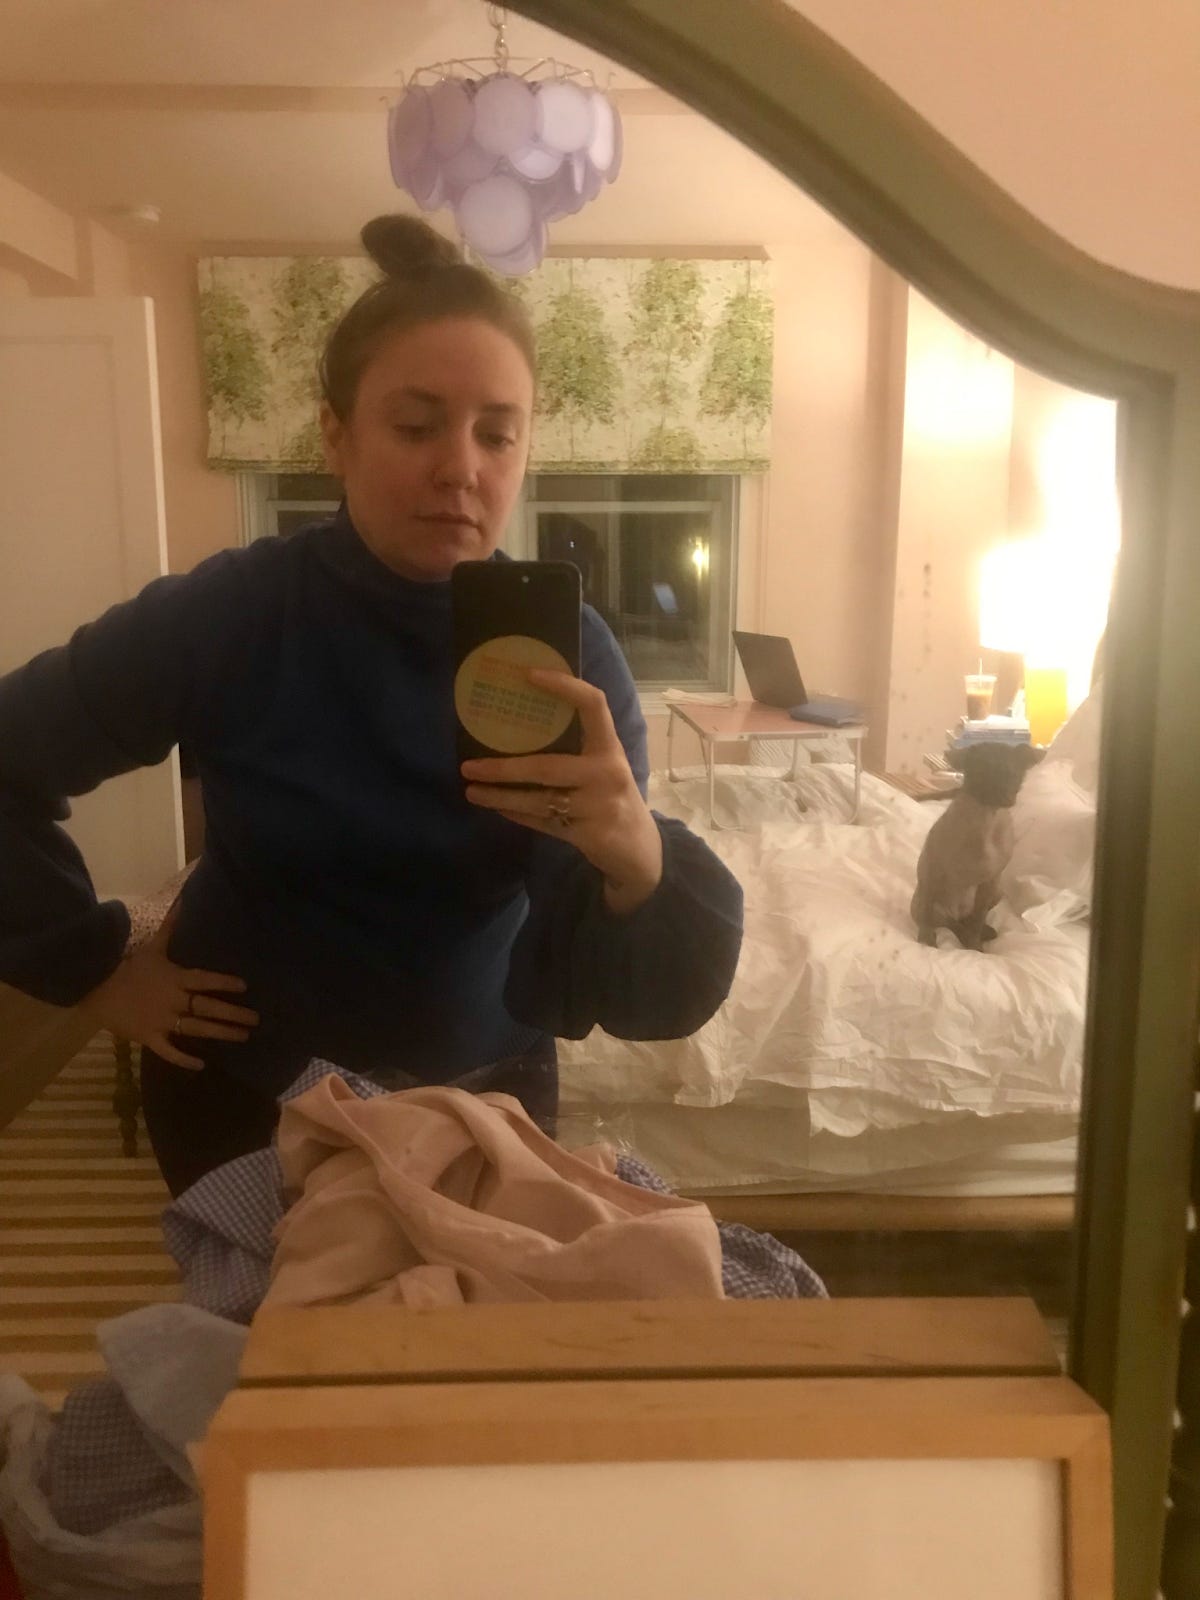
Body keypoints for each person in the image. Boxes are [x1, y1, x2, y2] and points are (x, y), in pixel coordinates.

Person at [0, 215, 743, 1197]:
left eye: (497, 433)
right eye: (416, 425)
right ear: (336, 436)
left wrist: (635, 856)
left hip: (484, 1097)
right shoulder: (232, 613)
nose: (461, 467)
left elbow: (625, 986)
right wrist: (93, 970)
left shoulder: (572, 657)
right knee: (268, 1304)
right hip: (246, 1099)